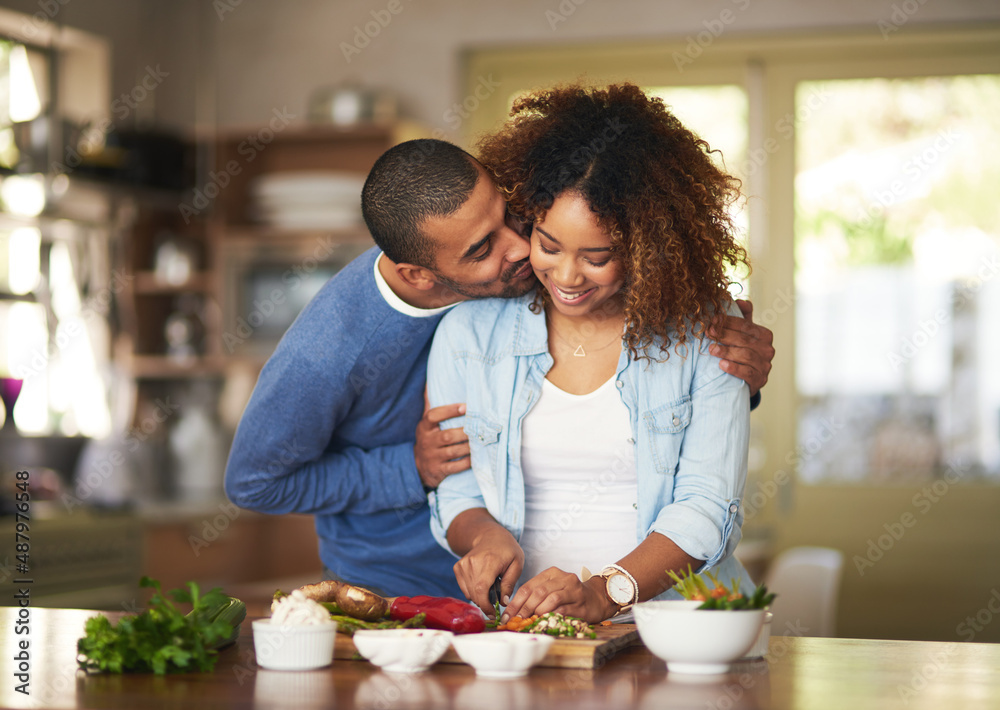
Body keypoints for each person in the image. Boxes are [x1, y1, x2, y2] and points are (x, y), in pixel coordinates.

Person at [225, 133, 773, 597]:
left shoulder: (527, 271)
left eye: (512, 215)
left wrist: (728, 371)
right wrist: (409, 468)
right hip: (395, 583)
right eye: (483, 248)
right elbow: (255, 484)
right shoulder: (329, 350)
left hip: (521, 596)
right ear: (420, 275)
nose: (521, 249)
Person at [426, 83, 756, 623]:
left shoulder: (708, 330)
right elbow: (456, 486)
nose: (567, 276)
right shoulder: (469, 334)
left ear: (646, 248)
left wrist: (604, 593)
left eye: (597, 256)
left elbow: (707, 507)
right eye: (548, 245)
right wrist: (482, 536)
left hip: (679, 631)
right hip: (534, 635)